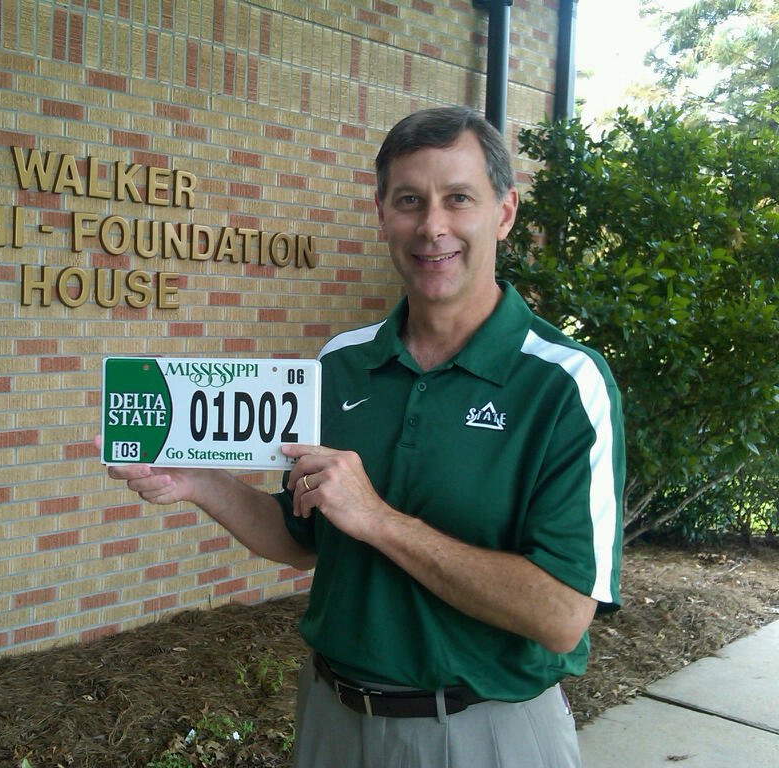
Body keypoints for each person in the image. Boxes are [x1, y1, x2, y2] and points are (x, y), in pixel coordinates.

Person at [97, 106, 624, 768]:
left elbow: (562, 612)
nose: (432, 226)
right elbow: (302, 539)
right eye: (409, 201)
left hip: (485, 733)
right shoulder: (338, 364)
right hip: (332, 724)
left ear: (504, 212)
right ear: (381, 215)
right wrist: (202, 482)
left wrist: (379, 520)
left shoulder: (566, 383)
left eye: (457, 198)